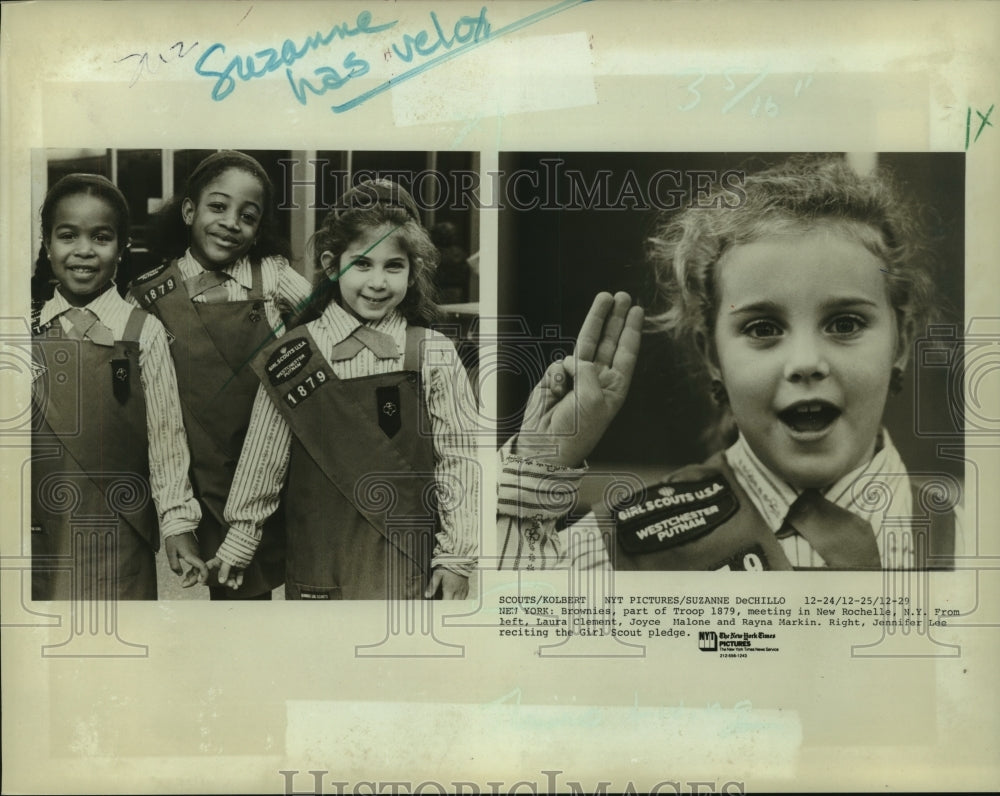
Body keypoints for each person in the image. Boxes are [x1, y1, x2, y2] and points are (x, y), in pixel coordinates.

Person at [498, 155, 957, 571]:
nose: (805, 363)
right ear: (712, 355)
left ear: (901, 342)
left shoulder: (973, 531)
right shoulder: (616, 549)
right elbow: (495, 638)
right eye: (762, 329)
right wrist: (541, 465)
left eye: (845, 324)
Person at [208, 179, 479, 599]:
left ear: (413, 272)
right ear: (333, 266)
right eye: (363, 264)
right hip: (319, 553)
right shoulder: (293, 354)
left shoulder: (433, 352)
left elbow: (460, 458)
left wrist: (456, 557)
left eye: (394, 266)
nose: (377, 282)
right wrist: (242, 536)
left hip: (405, 557)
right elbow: (264, 455)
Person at [128, 150, 312, 599]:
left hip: (271, 463)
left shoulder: (272, 276)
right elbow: (151, 410)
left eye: (247, 216)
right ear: (189, 211)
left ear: (258, 228)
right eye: (217, 206)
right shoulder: (149, 293)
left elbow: (328, 322)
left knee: (286, 584)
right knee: (230, 593)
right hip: (202, 475)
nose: (231, 222)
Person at [30, 173, 205, 599]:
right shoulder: (24, 331)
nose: (84, 251)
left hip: (119, 532)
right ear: (47, 244)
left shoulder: (143, 332)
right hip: (40, 533)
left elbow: (166, 438)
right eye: (68, 235)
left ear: (123, 247)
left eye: (102, 237)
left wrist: (177, 524)